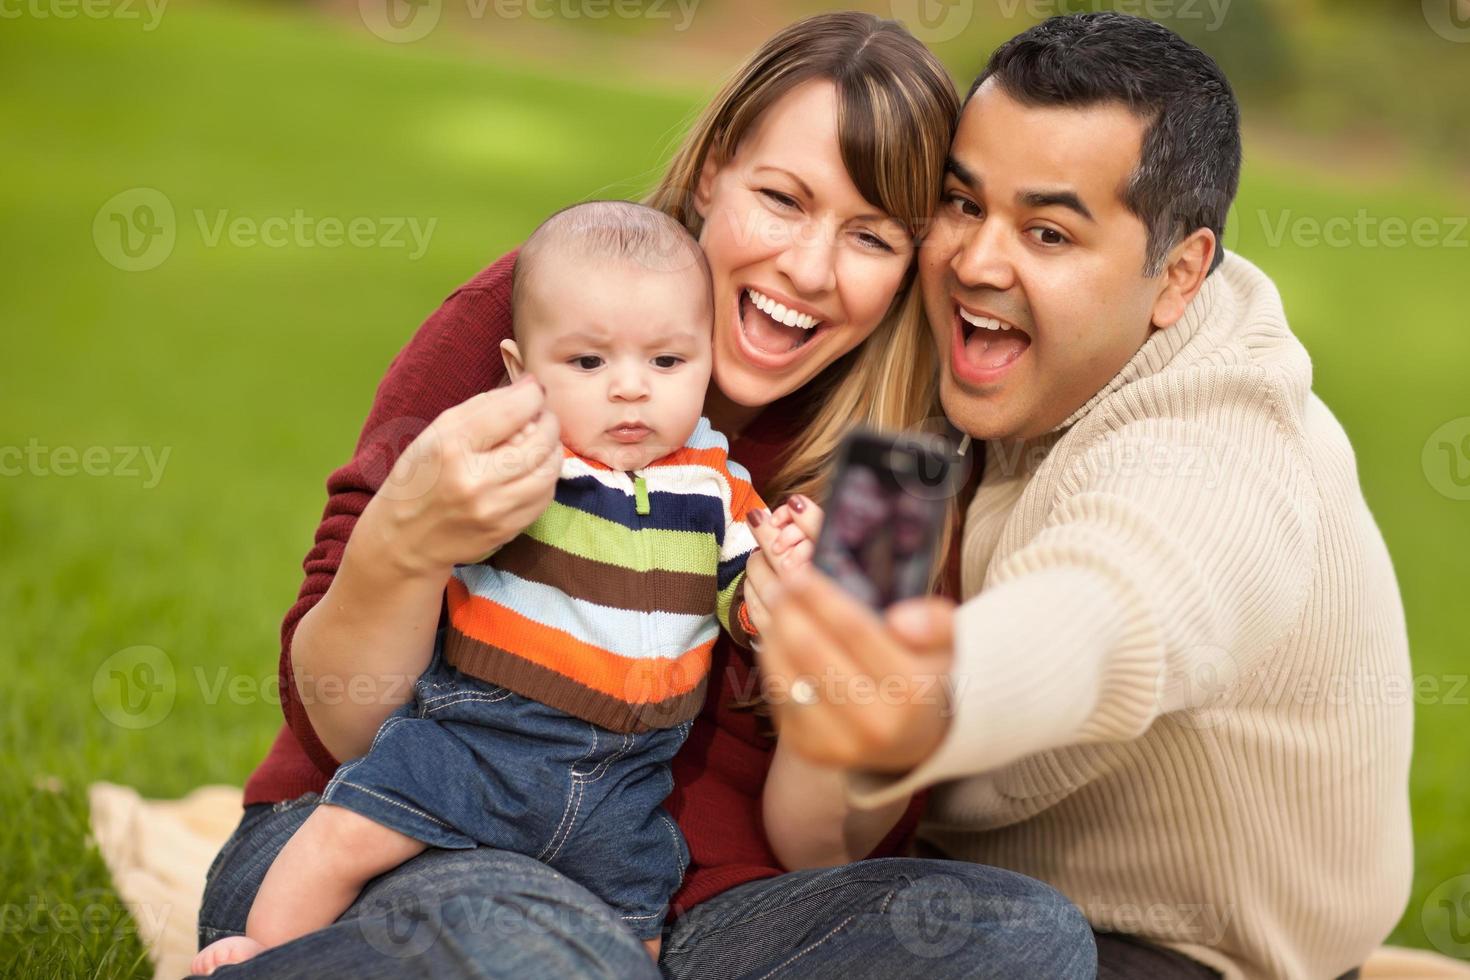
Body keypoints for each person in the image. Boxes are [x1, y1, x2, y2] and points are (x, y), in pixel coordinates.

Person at [195, 13, 1098, 979]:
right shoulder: (547, 322)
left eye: (870, 236)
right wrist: (403, 548)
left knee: (1022, 938)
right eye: (782, 199)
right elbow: (334, 722)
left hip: (684, 912)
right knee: (536, 952)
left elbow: (819, 852)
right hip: (413, 840)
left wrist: (818, 693)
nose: (808, 268)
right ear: (713, 169)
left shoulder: (890, 473)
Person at [757, 14, 1413, 980]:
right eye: (963, 203)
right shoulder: (935, 383)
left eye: (1049, 232)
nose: (978, 261)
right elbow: (830, 813)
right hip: (941, 889)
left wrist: (933, 694)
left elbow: (1110, 606)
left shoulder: (1221, 451)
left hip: (1173, 954)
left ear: (1179, 273)